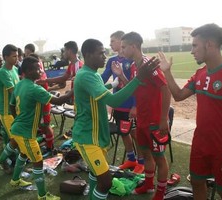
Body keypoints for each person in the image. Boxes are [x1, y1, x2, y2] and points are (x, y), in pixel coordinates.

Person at [158, 23, 222, 200]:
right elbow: (179, 95)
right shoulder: (200, 74)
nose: (191, 50)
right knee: (197, 183)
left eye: (195, 45)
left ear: (209, 44)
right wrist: (167, 72)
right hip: (200, 144)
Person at [72, 38, 160, 200]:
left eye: (105, 52)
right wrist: (138, 79)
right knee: (105, 183)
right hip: (87, 137)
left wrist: (113, 84)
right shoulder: (86, 75)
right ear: (88, 55)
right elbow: (112, 101)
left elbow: (98, 92)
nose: (105, 56)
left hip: (96, 136)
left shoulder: (92, 74)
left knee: (96, 175)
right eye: (101, 53)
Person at [113, 32, 171, 200]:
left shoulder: (149, 64)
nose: (121, 51)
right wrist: (120, 75)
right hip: (142, 120)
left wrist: (163, 119)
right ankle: (148, 185)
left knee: (160, 158)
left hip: (154, 121)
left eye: (124, 47)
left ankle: (160, 193)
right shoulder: (133, 66)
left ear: (134, 46)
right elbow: (134, 86)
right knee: (146, 154)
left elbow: (165, 89)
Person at [10, 56, 73, 200]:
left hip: (18, 129)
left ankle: (15, 180)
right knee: (38, 163)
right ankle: (43, 195)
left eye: (40, 67)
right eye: (37, 68)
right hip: (25, 133)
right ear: (27, 71)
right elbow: (58, 100)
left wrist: (19, 119)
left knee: (23, 155)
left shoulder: (20, 84)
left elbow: (12, 106)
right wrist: (74, 90)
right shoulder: (35, 88)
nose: (40, 70)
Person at [101, 30, 144, 174]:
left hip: (130, 104)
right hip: (118, 103)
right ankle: (131, 158)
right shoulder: (112, 60)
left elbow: (137, 85)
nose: (110, 44)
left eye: (113, 41)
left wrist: (136, 105)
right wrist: (90, 81)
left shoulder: (132, 59)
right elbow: (104, 77)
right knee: (123, 132)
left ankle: (141, 162)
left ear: (121, 42)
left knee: (135, 134)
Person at [0, 44, 21, 175]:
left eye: (17, 56)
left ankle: (15, 162)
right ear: (5, 57)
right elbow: (14, 91)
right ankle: (2, 160)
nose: (16, 58)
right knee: (16, 139)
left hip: (15, 111)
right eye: (13, 56)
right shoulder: (2, 73)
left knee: (17, 139)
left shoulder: (15, 69)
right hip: (6, 112)